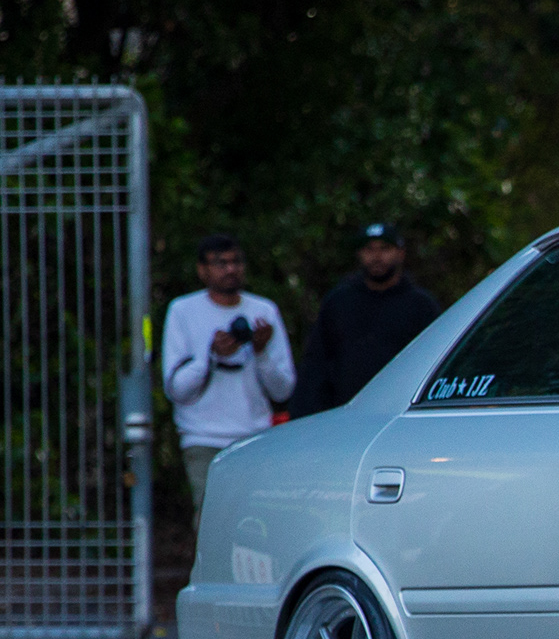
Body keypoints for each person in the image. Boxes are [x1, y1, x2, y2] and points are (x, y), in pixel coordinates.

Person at [159, 232, 294, 520]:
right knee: (211, 520)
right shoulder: (183, 311)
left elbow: (283, 390)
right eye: (221, 263)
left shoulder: (264, 311)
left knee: (257, 521)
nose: (230, 269)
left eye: (236, 262)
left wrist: (260, 351)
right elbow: (176, 389)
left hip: (255, 437)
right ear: (202, 270)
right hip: (203, 437)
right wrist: (210, 357)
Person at [299, 222, 442, 412]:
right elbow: (316, 364)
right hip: (345, 412)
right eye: (369, 249)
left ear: (400, 253)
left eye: (385, 249)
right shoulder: (339, 302)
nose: (376, 256)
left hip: (400, 412)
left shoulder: (421, 306)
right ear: (359, 254)